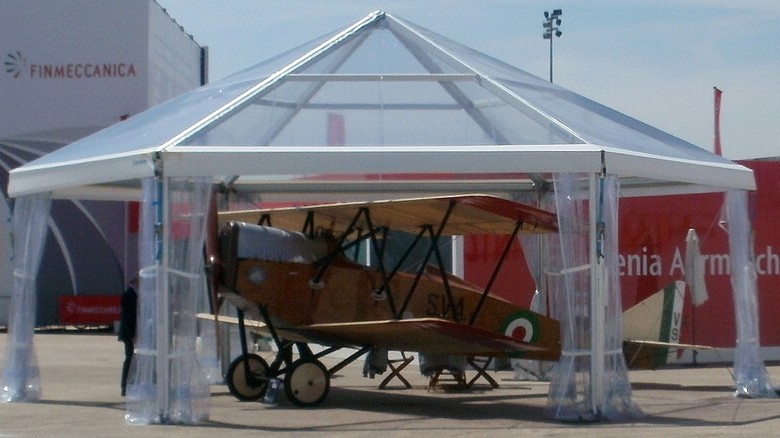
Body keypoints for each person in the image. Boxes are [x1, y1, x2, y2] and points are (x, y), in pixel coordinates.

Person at [118, 278, 138, 397]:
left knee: (131, 359)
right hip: (129, 333)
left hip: (130, 332)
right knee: (129, 359)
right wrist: (133, 335)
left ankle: (129, 384)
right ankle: (125, 386)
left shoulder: (133, 294)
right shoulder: (129, 294)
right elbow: (129, 317)